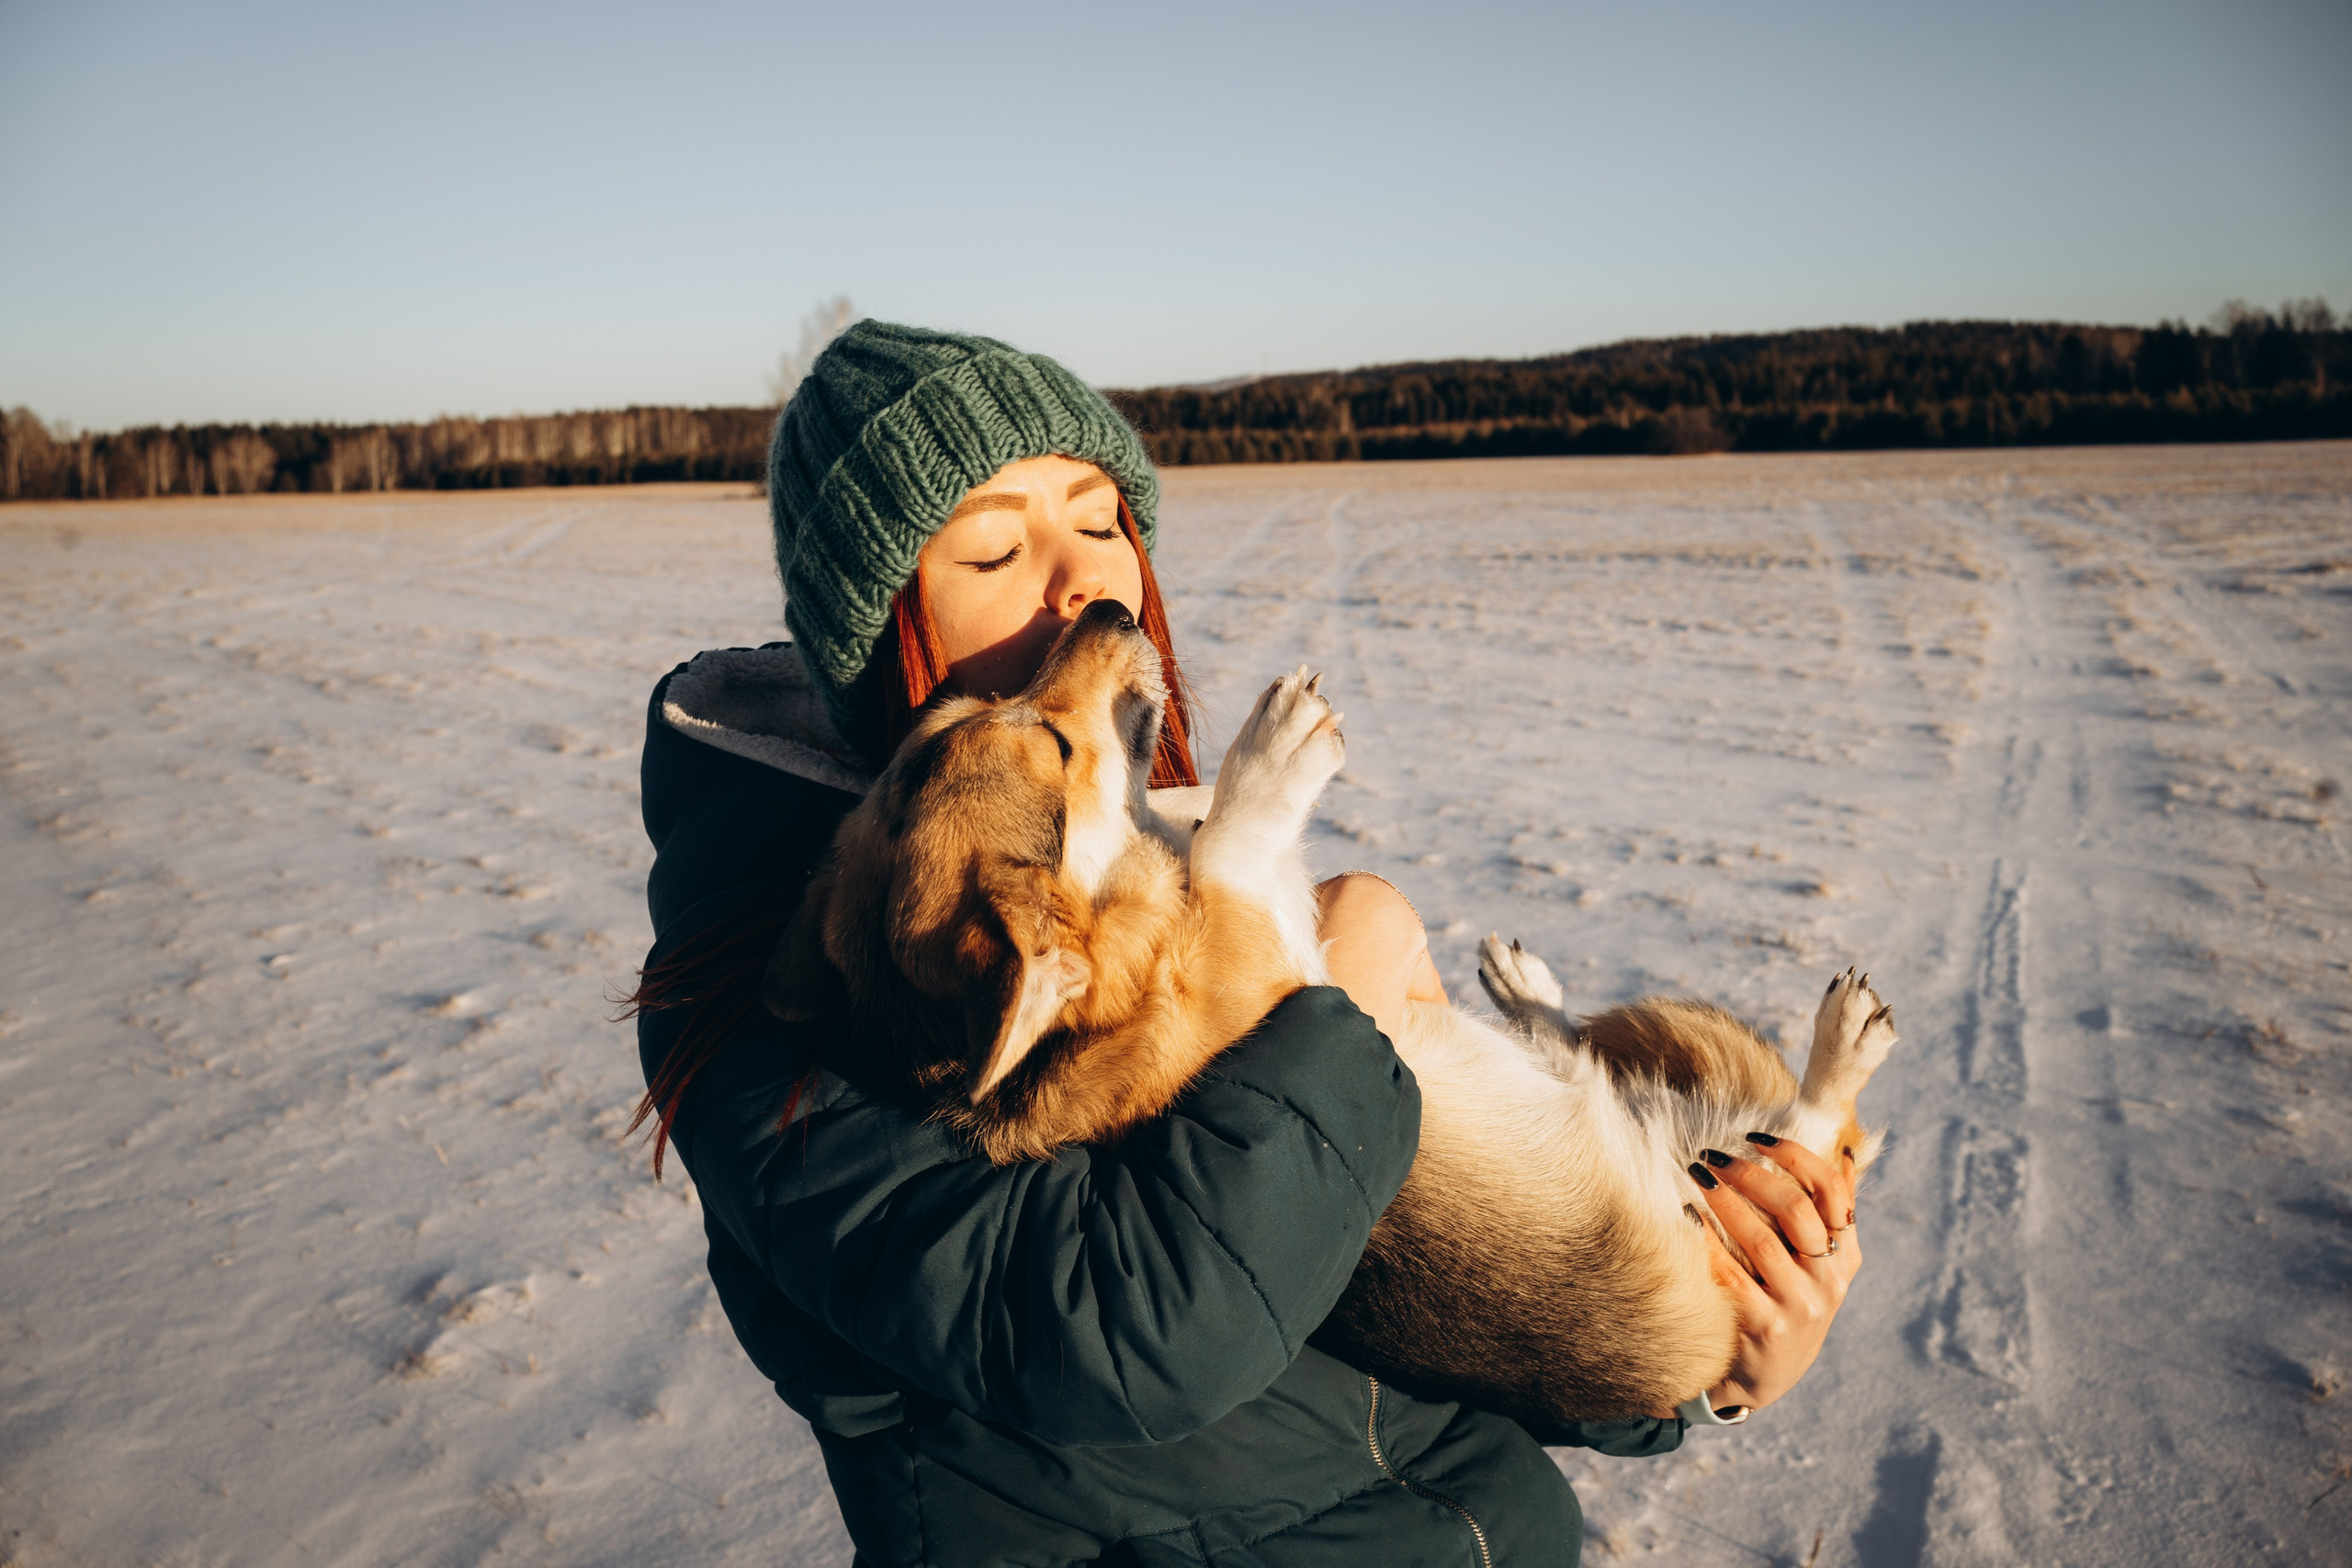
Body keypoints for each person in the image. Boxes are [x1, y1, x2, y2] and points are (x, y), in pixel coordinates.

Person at [628, 320, 1862, 1567]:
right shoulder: (833, 983)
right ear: (879, 622)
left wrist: (1717, 1363)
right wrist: (1342, 1021)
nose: (1083, 582)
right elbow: (1136, 1328)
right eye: (997, 545)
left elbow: (1436, 1273)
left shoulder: (1139, 860)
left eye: (1101, 522)